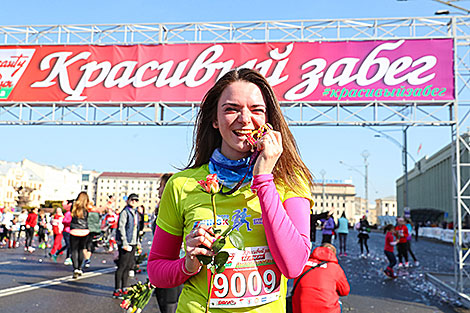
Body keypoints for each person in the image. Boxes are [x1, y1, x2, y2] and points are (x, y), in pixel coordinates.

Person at [147, 68, 314, 312]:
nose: (245, 119)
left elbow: (294, 265)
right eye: (231, 109)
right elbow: (156, 270)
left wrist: (264, 178)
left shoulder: (290, 180)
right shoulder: (181, 185)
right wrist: (188, 265)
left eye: (256, 110)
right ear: (214, 120)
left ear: (268, 121)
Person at [153, 173, 184, 313]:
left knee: (170, 304)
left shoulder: (172, 210)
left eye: (161, 187)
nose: (158, 191)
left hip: (171, 266)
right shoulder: (163, 208)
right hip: (169, 266)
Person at [292, 243, 350, 313]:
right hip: (327, 309)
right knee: (338, 303)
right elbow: (345, 291)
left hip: (301, 308)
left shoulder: (304, 264)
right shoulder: (335, 267)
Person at [113, 193, 141, 299]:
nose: (134, 202)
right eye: (132, 200)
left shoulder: (135, 213)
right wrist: (124, 242)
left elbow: (136, 228)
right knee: (122, 266)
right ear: (128, 200)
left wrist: (137, 242)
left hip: (133, 242)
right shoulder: (125, 212)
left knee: (128, 266)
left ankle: (124, 287)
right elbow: (121, 227)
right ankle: (117, 289)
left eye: (136, 200)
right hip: (126, 242)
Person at [70, 192, 91, 278]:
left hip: (74, 230)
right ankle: (79, 267)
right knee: (81, 249)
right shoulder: (87, 208)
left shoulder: (74, 206)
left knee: (74, 250)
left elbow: (64, 205)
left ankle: (75, 268)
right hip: (84, 231)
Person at [83, 203, 101, 268]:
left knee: (84, 245)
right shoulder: (97, 213)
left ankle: (87, 259)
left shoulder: (87, 213)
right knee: (90, 244)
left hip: (86, 229)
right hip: (94, 230)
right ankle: (88, 259)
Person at [55, 200, 73, 265]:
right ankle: (68, 258)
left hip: (72, 231)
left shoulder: (75, 213)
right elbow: (64, 221)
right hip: (66, 231)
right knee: (69, 245)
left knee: (69, 245)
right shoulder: (68, 213)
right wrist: (71, 223)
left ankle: (58, 253)